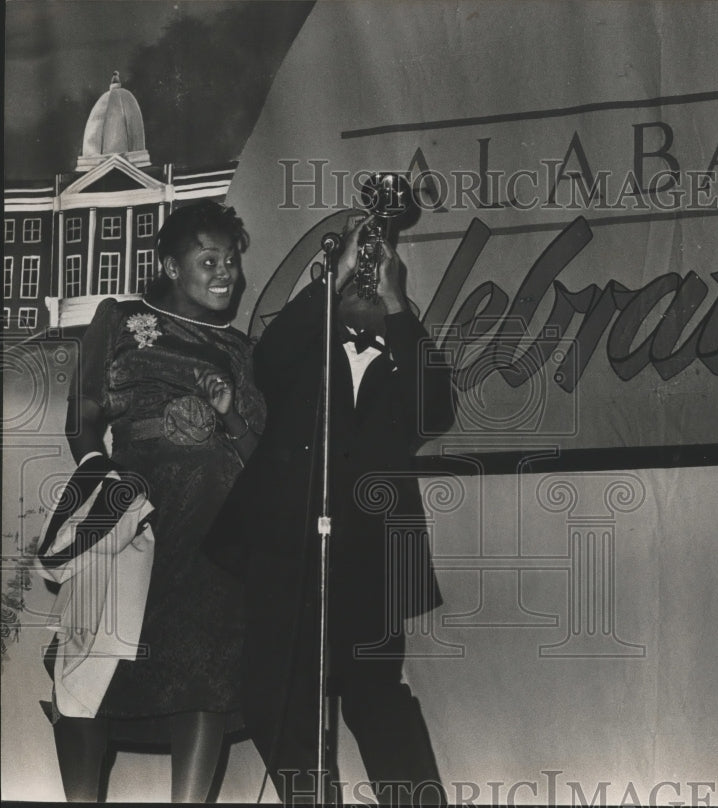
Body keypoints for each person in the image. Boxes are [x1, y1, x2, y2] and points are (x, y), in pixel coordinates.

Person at [207, 216, 455, 805]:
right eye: (355, 279)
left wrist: (396, 307)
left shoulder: (404, 348)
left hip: (369, 560)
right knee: (279, 700)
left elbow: (435, 411)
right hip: (286, 551)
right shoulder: (305, 347)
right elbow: (266, 361)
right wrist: (332, 278)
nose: (364, 285)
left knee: (375, 699)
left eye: (378, 277)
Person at [50, 200, 265, 802]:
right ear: (171, 265)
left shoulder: (242, 349)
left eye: (232, 261)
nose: (227, 273)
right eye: (209, 260)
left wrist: (227, 415)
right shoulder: (118, 319)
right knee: (88, 667)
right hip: (130, 517)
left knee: (205, 666)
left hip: (213, 529)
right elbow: (83, 416)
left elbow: (257, 449)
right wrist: (99, 480)